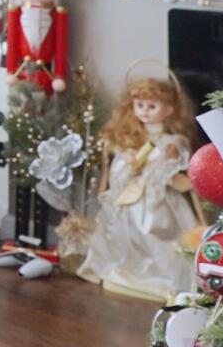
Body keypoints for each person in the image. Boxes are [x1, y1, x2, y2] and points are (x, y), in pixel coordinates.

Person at [78, 71, 204, 302]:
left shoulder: (172, 141)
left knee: (159, 234)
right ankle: (130, 273)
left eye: (152, 106)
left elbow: (173, 160)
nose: (145, 111)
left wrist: (166, 156)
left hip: (158, 199)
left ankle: (169, 279)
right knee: (125, 232)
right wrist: (129, 160)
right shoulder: (133, 139)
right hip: (132, 196)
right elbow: (120, 169)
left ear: (169, 109)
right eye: (140, 105)